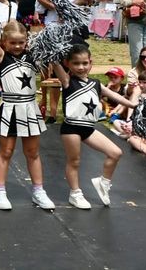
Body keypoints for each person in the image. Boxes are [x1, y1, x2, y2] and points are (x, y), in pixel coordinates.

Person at [51, 45, 138, 209]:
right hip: (71, 128)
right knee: (74, 161)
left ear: (91, 63)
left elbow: (116, 97)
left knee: (115, 153)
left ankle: (103, 182)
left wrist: (134, 105)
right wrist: (51, 52)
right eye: (76, 63)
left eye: (85, 63)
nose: (81, 67)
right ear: (68, 64)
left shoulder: (96, 83)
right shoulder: (68, 81)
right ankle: (75, 194)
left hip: (89, 128)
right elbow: (55, 63)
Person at [0, 21, 51, 210]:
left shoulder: (33, 56)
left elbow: (49, 66)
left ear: (27, 41)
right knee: (6, 151)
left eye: (21, 42)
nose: (17, 46)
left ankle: (39, 191)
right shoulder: (1, 57)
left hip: (30, 107)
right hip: (10, 108)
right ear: (4, 42)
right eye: (12, 42)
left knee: (32, 152)